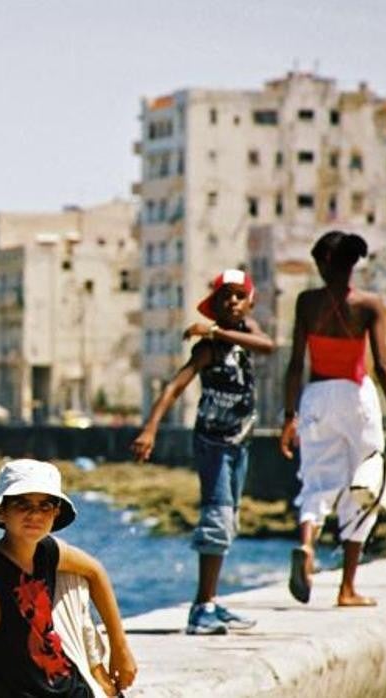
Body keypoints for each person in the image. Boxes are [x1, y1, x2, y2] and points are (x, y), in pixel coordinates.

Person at [130, 268, 275, 635]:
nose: (232, 302)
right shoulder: (208, 349)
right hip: (213, 442)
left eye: (238, 296)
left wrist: (214, 328)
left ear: (249, 302)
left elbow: (269, 346)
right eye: (225, 296)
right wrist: (150, 429)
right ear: (215, 304)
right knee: (217, 519)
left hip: (240, 441)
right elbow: (174, 388)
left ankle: (210, 601)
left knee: (229, 519)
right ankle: (201, 609)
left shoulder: (243, 337)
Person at [0, 459, 138, 698]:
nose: (34, 514)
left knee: (75, 576)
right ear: (1, 512)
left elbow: (96, 571)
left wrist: (120, 650)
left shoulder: (48, 551)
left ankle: (99, 680)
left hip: (76, 689)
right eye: (22, 504)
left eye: (45, 506)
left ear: (56, 513)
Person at [280, 230, 386, 607]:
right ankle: (347, 587)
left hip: (317, 396)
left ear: (323, 265)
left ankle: (306, 544)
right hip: (356, 397)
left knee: (318, 480)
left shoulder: (306, 303)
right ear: (352, 265)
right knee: (366, 481)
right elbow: (383, 365)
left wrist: (290, 417)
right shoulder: (369, 306)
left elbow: (294, 365)